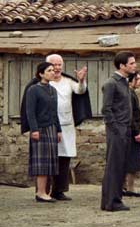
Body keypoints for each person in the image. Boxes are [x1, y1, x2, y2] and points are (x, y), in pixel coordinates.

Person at [44, 54, 91, 201]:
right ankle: (44, 191)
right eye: (54, 65)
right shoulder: (43, 83)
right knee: (48, 158)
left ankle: (59, 190)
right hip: (48, 126)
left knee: (64, 158)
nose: (57, 68)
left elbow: (80, 90)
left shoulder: (68, 81)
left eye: (59, 65)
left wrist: (81, 79)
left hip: (66, 126)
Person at [100, 51, 137, 212]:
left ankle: (113, 200)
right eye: (132, 63)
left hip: (125, 129)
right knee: (114, 166)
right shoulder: (111, 83)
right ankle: (111, 201)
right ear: (122, 66)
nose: (135, 66)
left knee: (121, 165)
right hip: (117, 131)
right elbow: (106, 109)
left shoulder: (124, 83)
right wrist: (116, 129)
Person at [25, 62, 62, 203]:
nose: (53, 72)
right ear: (41, 74)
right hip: (40, 129)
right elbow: (30, 112)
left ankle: (45, 192)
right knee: (42, 162)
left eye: (53, 70)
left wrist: (58, 130)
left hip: (52, 128)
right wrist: (34, 129)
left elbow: (55, 112)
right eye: (49, 70)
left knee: (49, 162)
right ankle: (40, 193)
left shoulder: (53, 90)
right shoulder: (33, 90)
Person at [123, 71, 140, 198]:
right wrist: (136, 132)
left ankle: (127, 187)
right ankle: (128, 187)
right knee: (131, 161)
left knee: (131, 160)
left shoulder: (132, 93)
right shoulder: (129, 94)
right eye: (138, 79)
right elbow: (131, 115)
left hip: (132, 130)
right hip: (131, 132)